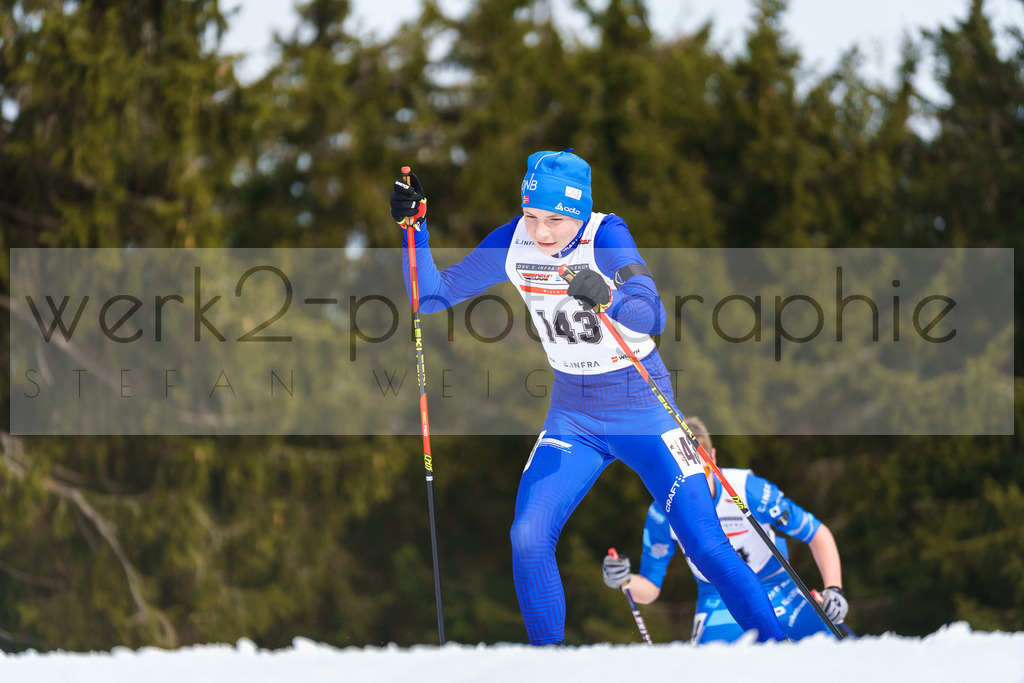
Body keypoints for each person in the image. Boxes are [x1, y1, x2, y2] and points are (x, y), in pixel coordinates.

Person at [389, 150, 786, 645]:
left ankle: (782, 657)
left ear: (578, 211)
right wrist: (416, 229)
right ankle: (549, 668)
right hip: (574, 415)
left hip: (645, 408)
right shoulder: (514, 241)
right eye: (532, 215)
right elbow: (431, 296)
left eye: (555, 219)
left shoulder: (606, 234)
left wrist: (610, 297)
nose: (541, 232)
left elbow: (653, 315)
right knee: (528, 538)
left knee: (705, 545)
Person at [602, 416, 849, 644]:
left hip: (774, 582)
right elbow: (650, 588)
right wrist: (623, 579)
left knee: (824, 651)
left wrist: (834, 589)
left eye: (702, 473)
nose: (693, 488)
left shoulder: (747, 490)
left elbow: (817, 534)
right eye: (681, 478)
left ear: (713, 459)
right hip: (716, 595)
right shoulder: (662, 512)